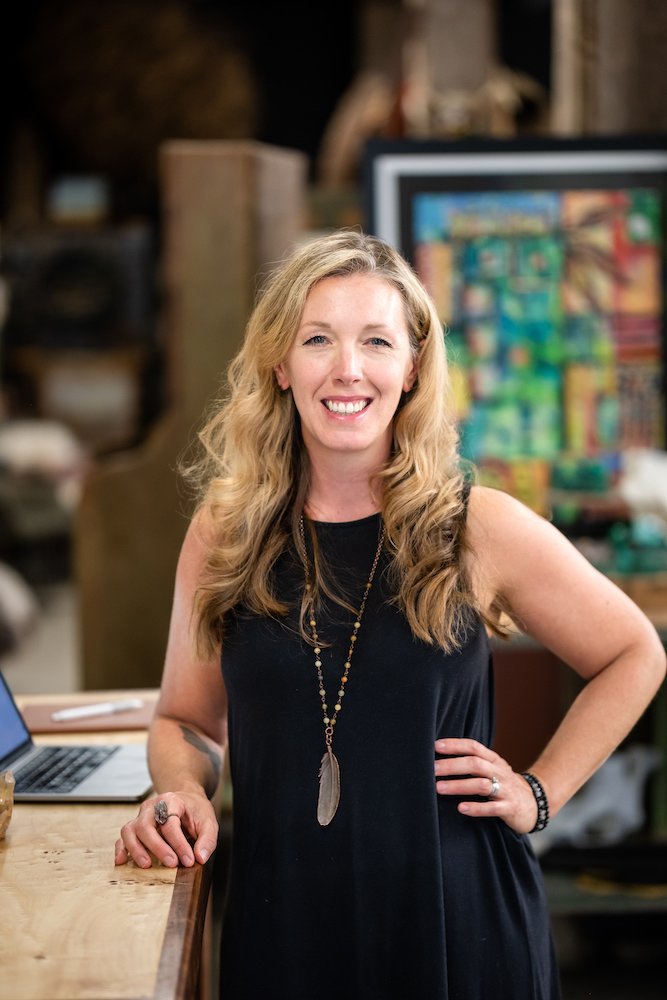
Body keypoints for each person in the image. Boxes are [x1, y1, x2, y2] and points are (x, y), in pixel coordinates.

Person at [115, 228, 666, 999]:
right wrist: (178, 792)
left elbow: (633, 653)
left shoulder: (476, 526)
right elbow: (187, 722)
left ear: (410, 368)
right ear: (280, 363)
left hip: (457, 923)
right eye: (318, 339)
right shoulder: (223, 534)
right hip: (285, 923)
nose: (348, 369)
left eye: (376, 341)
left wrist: (539, 793)